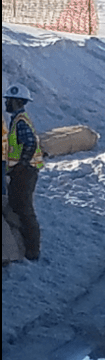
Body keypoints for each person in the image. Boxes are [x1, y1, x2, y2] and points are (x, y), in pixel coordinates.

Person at [5, 83, 44, 260]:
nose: (6, 103)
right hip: (22, 171)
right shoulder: (18, 119)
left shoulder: (20, 121)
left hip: (25, 172)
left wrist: (21, 164)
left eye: (8, 100)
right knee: (18, 206)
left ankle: (32, 251)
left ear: (17, 101)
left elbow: (29, 143)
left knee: (24, 209)